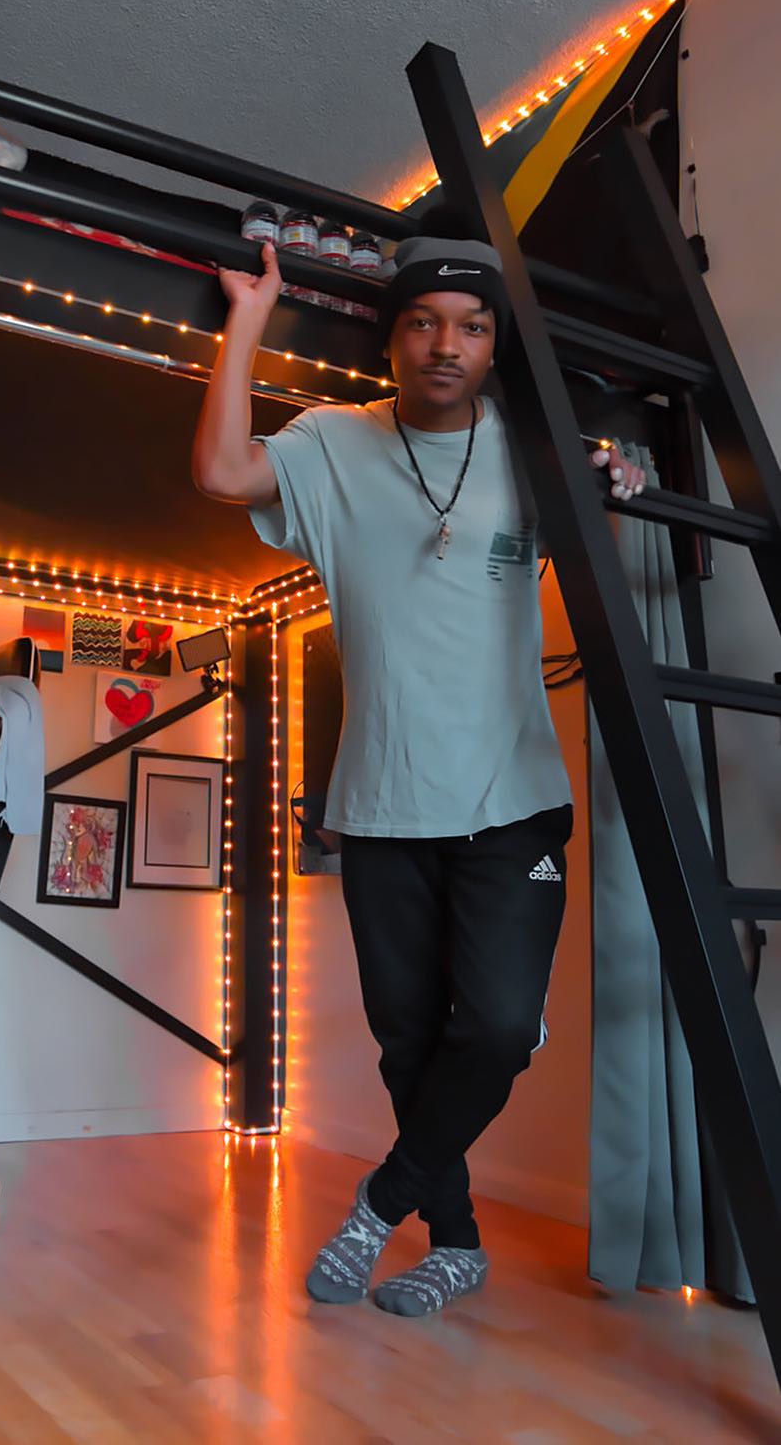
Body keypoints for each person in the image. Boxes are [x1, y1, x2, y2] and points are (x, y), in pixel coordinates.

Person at [192, 217, 644, 1317]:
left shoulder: (532, 453)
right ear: (392, 340)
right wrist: (247, 323)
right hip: (381, 807)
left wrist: (615, 469)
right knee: (409, 1043)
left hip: (511, 802)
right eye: (427, 324)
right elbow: (218, 471)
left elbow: (603, 476)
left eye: (474, 327)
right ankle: (457, 1239)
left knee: (492, 1026)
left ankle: (376, 1207)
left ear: (495, 345)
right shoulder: (333, 443)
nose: (449, 344)